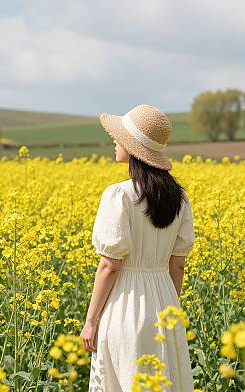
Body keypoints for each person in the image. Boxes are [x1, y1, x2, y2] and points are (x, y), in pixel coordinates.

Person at [80, 104, 195, 391]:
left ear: (134, 149)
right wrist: (169, 305)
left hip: (125, 306)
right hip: (165, 301)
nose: (114, 142)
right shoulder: (179, 198)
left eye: (120, 138)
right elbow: (177, 264)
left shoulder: (119, 194)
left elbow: (110, 265)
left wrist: (91, 321)